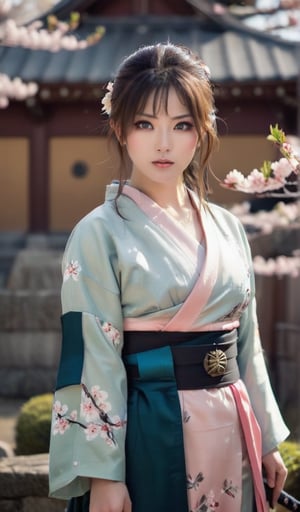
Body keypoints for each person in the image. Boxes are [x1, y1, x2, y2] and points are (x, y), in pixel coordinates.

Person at [49, 43, 289, 512]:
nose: (164, 143)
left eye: (181, 125)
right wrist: (104, 475)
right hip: (149, 430)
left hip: (231, 424)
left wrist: (266, 438)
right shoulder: (98, 233)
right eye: (145, 124)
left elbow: (247, 343)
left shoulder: (228, 227)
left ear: (200, 132)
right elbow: (93, 360)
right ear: (119, 128)